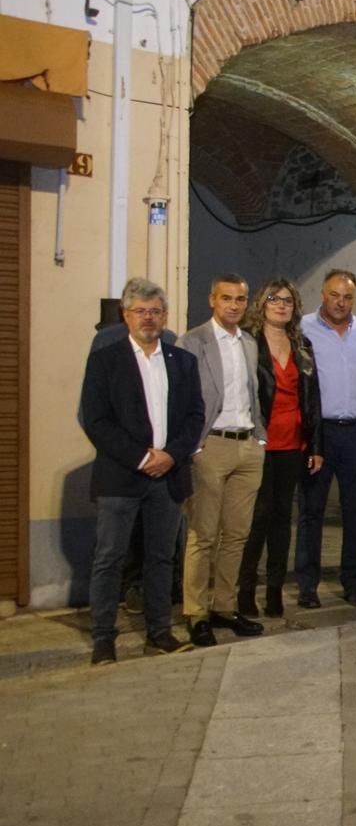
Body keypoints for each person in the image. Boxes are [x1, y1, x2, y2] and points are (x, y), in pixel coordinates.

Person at [81, 278, 205, 663]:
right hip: (121, 477)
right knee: (109, 558)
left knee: (161, 559)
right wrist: (141, 457)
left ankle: (159, 633)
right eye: (140, 311)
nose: (148, 318)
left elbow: (195, 415)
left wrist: (169, 455)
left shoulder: (182, 361)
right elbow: (96, 420)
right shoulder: (105, 360)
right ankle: (104, 638)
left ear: (164, 316)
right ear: (125, 315)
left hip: (167, 477)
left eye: (155, 311)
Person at [175, 274, 267, 647]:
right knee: (203, 535)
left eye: (240, 299)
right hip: (209, 446)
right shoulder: (193, 341)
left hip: (247, 445)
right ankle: (196, 612)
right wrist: (192, 447)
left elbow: (252, 392)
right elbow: (181, 398)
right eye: (227, 298)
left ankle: (224, 607)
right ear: (212, 300)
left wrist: (259, 437)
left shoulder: (248, 342)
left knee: (237, 535)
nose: (234, 305)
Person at [238, 280, 324, 620]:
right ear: (262, 304)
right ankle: (246, 591)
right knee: (256, 519)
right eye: (273, 298)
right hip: (258, 441)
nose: (281, 305)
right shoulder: (248, 342)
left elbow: (312, 397)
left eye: (287, 300)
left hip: (292, 443)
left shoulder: (302, 344)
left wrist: (315, 444)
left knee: (281, 520)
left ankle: (274, 591)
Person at [296, 270, 356, 610]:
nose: (340, 302)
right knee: (311, 511)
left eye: (347, 297)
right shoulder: (303, 328)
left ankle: (353, 583)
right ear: (323, 294)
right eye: (334, 295)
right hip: (321, 432)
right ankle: (307, 585)